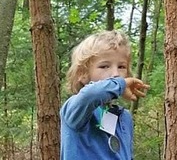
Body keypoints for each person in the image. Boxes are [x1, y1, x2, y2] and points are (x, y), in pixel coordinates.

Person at [60, 30, 149, 160]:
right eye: (104, 66)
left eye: (121, 67)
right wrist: (119, 85)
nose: (115, 74)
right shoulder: (75, 110)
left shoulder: (124, 117)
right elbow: (91, 94)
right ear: (82, 74)